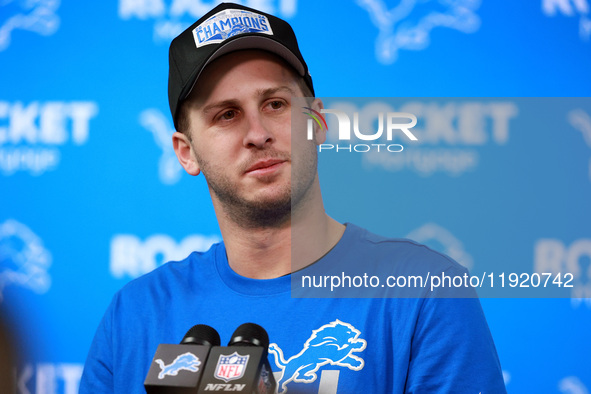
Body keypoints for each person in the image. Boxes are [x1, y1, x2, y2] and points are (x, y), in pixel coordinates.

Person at [80, 3, 506, 393]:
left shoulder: (424, 293)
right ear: (186, 152)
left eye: (276, 104)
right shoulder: (135, 316)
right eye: (226, 115)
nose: (258, 133)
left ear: (317, 122)